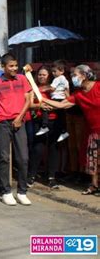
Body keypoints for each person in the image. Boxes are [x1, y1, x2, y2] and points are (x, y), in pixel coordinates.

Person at [42, 65, 100, 195]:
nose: (72, 78)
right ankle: (94, 185)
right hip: (92, 131)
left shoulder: (98, 86)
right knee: (93, 160)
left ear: (84, 76)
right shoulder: (78, 94)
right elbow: (62, 104)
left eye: (75, 75)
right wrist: (43, 100)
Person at [0, 54, 32, 206]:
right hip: (2, 123)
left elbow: (28, 101)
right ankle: (6, 192)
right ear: (3, 67)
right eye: (11, 66)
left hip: (19, 122)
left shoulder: (22, 79)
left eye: (15, 65)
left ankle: (22, 191)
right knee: (3, 158)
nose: (14, 68)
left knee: (23, 158)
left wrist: (20, 117)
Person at [27, 66, 61, 189]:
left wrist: (52, 106)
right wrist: (40, 106)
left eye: (44, 75)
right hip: (39, 121)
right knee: (38, 148)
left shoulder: (55, 87)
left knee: (53, 149)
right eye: (40, 74)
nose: (42, 77)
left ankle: (52, 177)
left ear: (49, 76)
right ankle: (31, 175)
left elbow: (63, 101)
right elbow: (29, 104)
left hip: (54, 120)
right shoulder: (33, 88)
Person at [36, 60, 70, 143]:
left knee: (46, 108)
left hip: (57, 100)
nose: (53, 73)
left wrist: (43, 90)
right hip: (61, 100)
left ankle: (44, 126)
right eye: (40, 75)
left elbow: (52, 88)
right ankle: (64, 131)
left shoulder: (57, 79)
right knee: (61, 116)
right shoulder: (64, 79)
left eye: (44, 75)